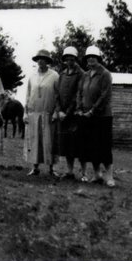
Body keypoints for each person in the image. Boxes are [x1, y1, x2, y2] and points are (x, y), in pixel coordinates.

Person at [77, 45, 115, 187]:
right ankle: (97, 174)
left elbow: (104, 96)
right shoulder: (86, 75)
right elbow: (80, 93)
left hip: (102, 116)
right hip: (86, 116)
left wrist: (92, 111)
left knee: (104, 146)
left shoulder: (105, 74)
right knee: (92, 146)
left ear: (98, 58)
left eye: (94, 57)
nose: (91, 59)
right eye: (88, 57)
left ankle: (110, 176)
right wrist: (79, 108)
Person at [24, 49, 60, 176]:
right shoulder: (32, 76)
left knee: (49, 141)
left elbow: (58, 96)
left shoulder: (54, 76)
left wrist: (56, 111)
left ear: (48, 61)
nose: (41, 61)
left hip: (48, 113)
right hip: (34, 113)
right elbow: (28, 95)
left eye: (43, 59)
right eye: (39, 58)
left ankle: (52, 169)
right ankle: (35, 167)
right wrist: (25, 113)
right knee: (35, 141)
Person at [55, 46, 86, 179]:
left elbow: (77, 95)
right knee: (67, 144)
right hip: (63, 116)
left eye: (72, 59)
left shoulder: (81, 74)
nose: (69, 61)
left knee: (79, 145)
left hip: (75, 115)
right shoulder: (62, 74)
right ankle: (70, 171)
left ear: (75, 59)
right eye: (67, 59)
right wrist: (59, 110)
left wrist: (67, 112)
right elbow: (57, 94)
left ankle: (83, 173)